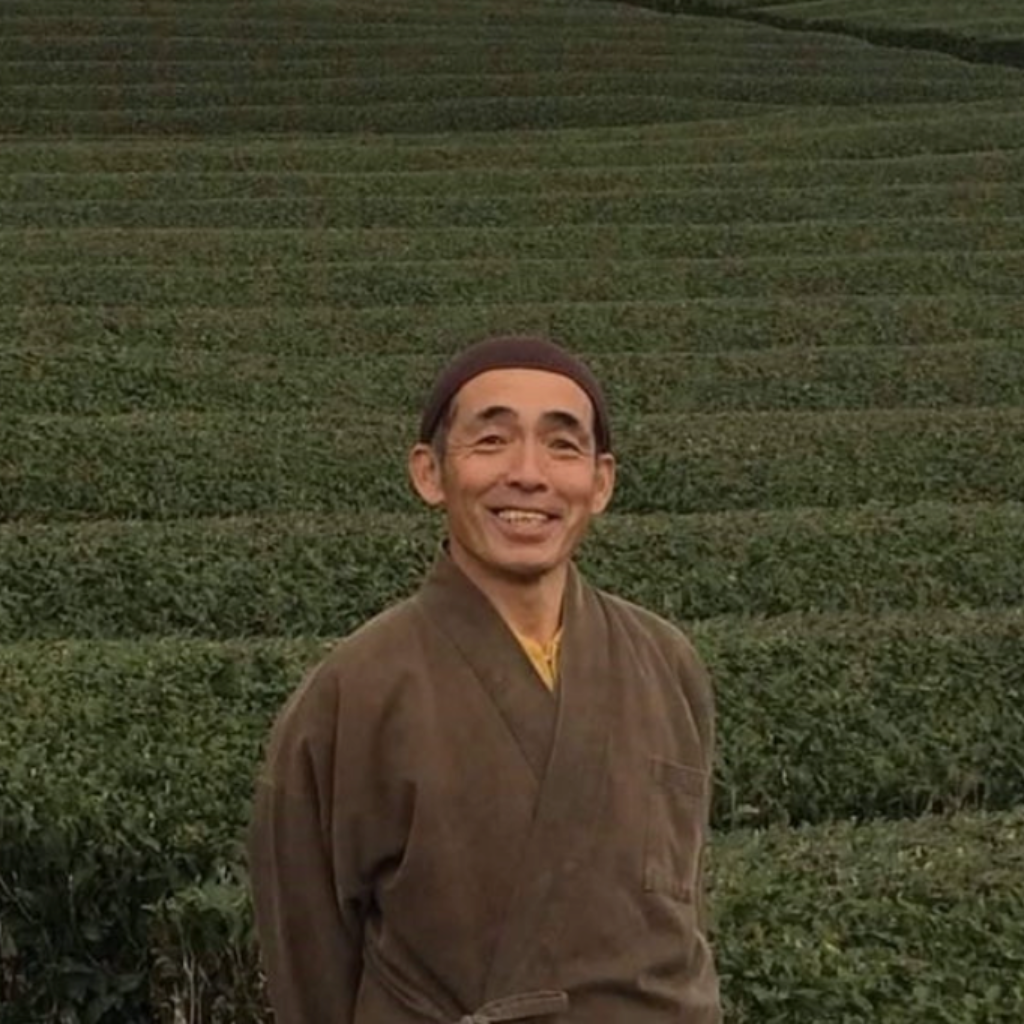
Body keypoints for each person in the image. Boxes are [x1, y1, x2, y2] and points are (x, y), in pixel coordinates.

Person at [247, 335, 721, 1023]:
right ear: (430, 473)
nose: (528, 474)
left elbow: (681, 908)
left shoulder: (666, 661)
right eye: (492, 440)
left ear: (601, 482)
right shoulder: (353, 691)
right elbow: (309, 960)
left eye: (562, 446)